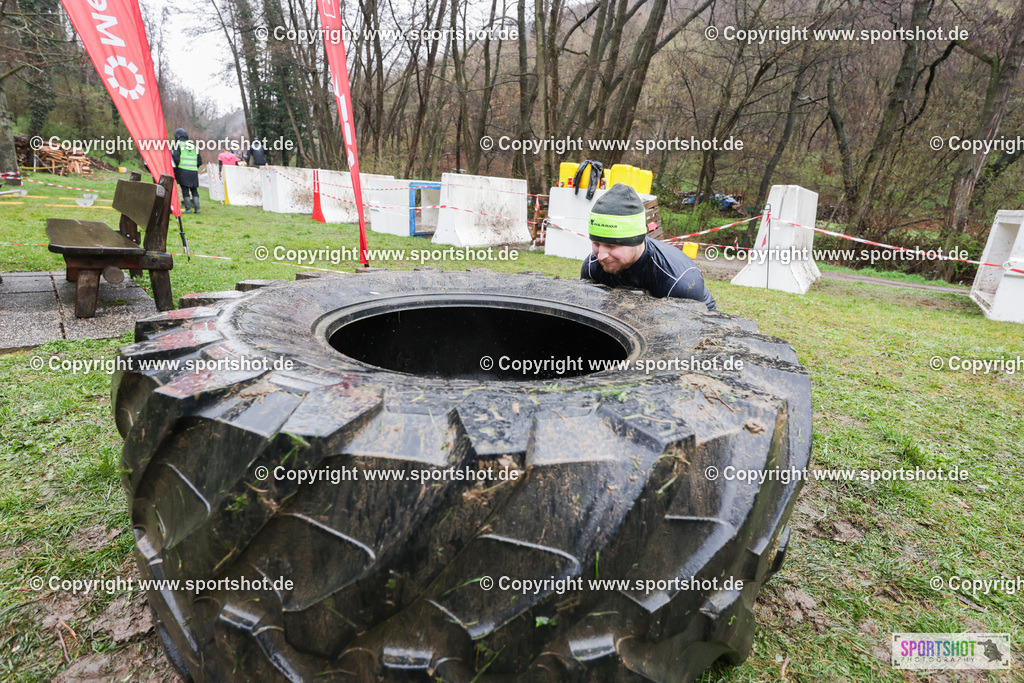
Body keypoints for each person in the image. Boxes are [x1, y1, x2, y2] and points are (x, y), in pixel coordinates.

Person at [580, 183, 717, 311]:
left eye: (611, 246)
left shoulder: (680, 282)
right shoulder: (592, 267)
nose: (601, 255)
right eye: (596, 244)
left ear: (636, 240)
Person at [171, 128, 202, 214]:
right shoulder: (194, 146)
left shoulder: (177, 145)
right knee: (194, 190)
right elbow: (199, 161)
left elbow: (175, 158)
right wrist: (193, 167)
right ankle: (197, 209)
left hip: (183, 170)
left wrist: (177, 167)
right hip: (193, 171)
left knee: (185, 190)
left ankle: (188, 209)